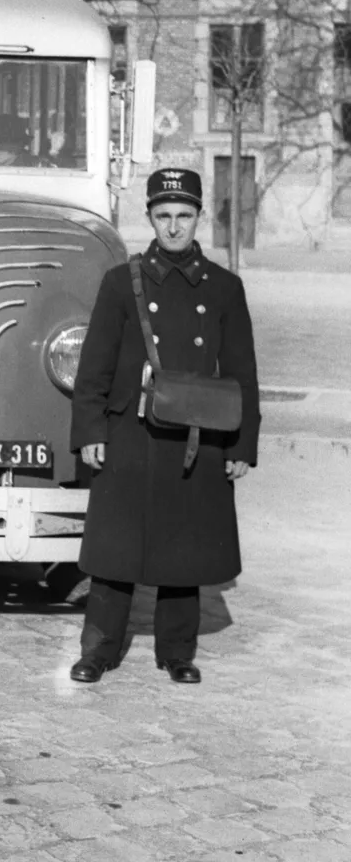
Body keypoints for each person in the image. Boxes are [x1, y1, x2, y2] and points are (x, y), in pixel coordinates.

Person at [68, 167, 260, 685]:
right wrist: (90, 432)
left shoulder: (224, 288)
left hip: (196, 435)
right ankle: (99, 650)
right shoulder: (121, 283)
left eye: (184, 216)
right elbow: (95, 367)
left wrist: (243, 444)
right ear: (149, 218)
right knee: (115, 551)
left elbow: (243, 372)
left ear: (198, 217)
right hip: (131, 433)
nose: (174, 227)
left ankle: (178, 652)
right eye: (163, 216)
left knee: (186, 548)